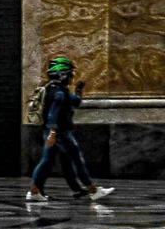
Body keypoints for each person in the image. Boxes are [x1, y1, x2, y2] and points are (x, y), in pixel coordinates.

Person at [28, 57, 114, 201]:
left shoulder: (52, 89)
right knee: (77, 160)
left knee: (47, 161)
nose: (72, 78)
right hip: (60, 133)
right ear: (62, 75)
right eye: (70, 75)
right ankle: (93, 190)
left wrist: (79, 90)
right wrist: (53, 133)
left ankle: (34, 191)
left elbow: (76, 102)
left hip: (51, 132)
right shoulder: (60, 93)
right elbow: (52, 115)